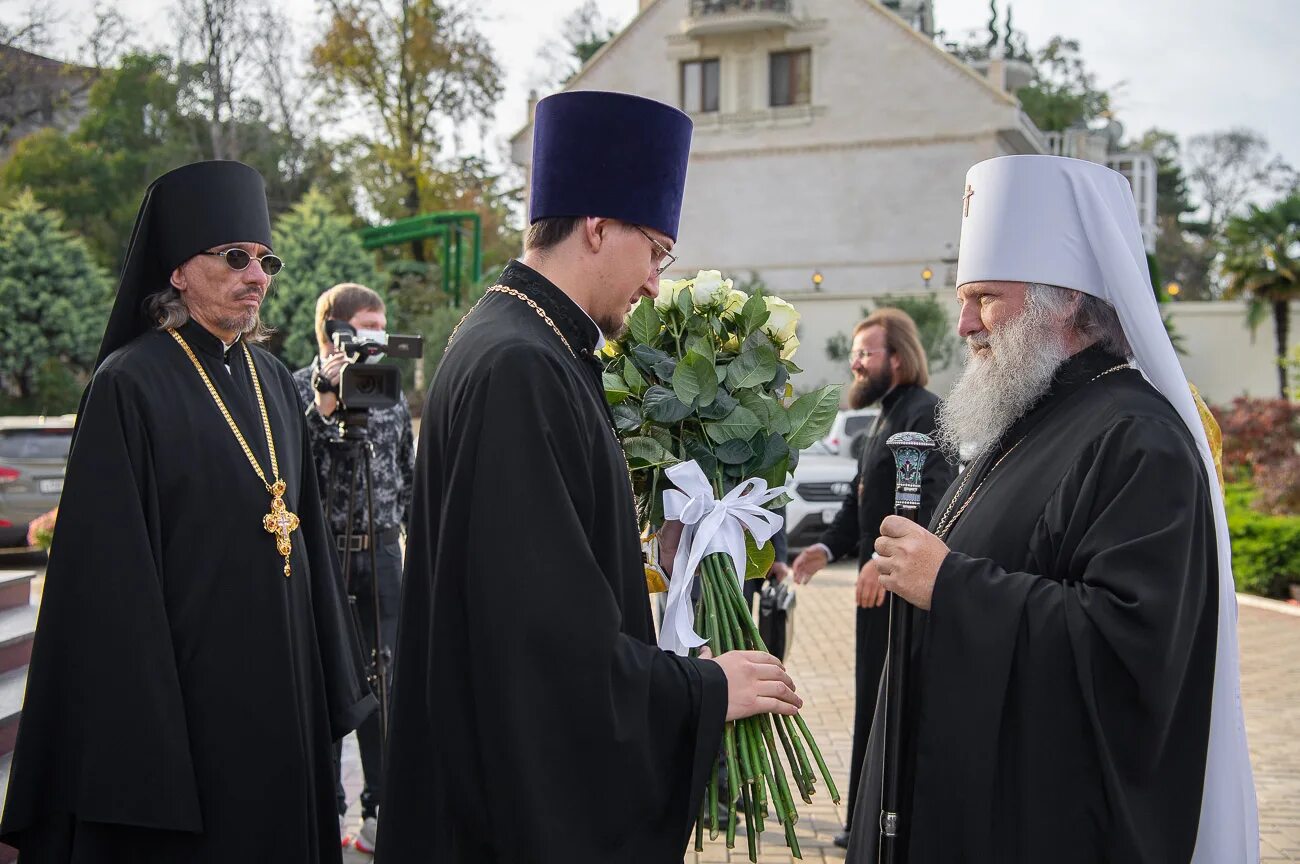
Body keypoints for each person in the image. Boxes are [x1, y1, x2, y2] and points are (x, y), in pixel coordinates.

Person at [378, 90, 802, 863]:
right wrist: (706, 690)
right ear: (600, 227)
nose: (652, 284)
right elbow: (542, 648)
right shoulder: (520, 365)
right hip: (502, 818)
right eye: (657, 252)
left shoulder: (527, 343)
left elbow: (535, 571)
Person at [847, 155, 1258, 863]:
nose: (964, 322)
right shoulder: (1036, 418)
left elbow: (1129, 648)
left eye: (985, 298)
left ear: (1064, 299)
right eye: (963, 297)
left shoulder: (1138, 440)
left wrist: (949, 583)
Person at [0, 160, 376, 862]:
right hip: (191, 717)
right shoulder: (129, 386)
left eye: (266, 260)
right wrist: (150, 737)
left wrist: (330, 677)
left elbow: (305, 536)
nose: (257, 275)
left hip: (283, 705)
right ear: (178, 269)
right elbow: (111, 587)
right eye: (234, 257)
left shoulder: (270, 377)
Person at [789, 308, 954, 848]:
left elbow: (934, 504)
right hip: (873, 596)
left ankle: (888, 820)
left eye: (866, 352)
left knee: (894, 704)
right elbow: (859, 502)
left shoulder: (926, 413)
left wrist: (885, 565)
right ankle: (865, 819)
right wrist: (822, 548)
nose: (855, 363)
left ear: (899, 359)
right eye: (856, 353)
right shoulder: (885, 415)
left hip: (901, 595)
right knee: (870, 702)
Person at [293, 283, 415, 853]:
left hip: (383, 553)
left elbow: (407, 481)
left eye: (381, 330)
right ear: (335, 332)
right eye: (367, 328)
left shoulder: (388, 394)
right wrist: (325, 403)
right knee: (320, 674)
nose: (377, 341)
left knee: (384, 682)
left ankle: (381, 811)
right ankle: (324, 807)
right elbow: (293, 471)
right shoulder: (295, 390)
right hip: (321, 556)